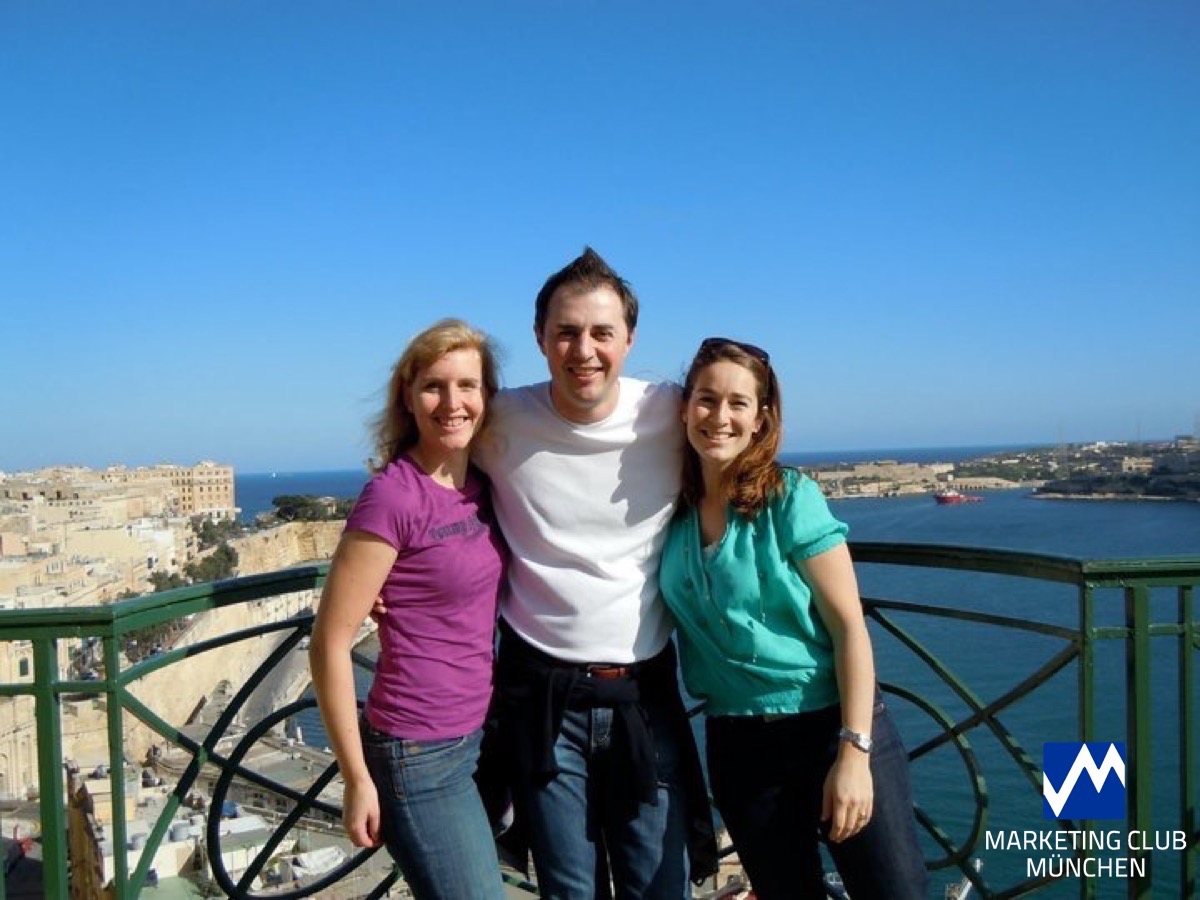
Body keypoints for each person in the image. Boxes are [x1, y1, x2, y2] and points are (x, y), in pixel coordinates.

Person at [474, 248, 717, 898]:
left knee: (658, 887)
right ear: (540, 338)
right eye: (566, 332)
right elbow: (424, 478)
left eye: (601, 332)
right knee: (568, 891)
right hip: (540, 696)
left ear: (629, 339)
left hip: (644, 695)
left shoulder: (671, 412)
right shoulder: (499, 420)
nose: (584, 350)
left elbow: (746, 456)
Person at [658, 337, 929, 900]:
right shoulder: (669, 511)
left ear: (760, 419)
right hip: (739, 744)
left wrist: (853, 753)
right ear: (684, 408)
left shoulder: (789, 497)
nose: (720, 416)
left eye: (738, 403)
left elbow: (849, 627)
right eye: (707, 399)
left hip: (831, 726)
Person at [309, 318, 507, 900]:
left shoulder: (482, 486)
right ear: (408, 397)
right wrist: (355, 779)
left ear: (487, 396)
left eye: (467, 385)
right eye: (433, 387)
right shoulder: (394, 495)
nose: (452, 402)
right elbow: (329, 643)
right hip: (416, 753)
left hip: (475, 736)